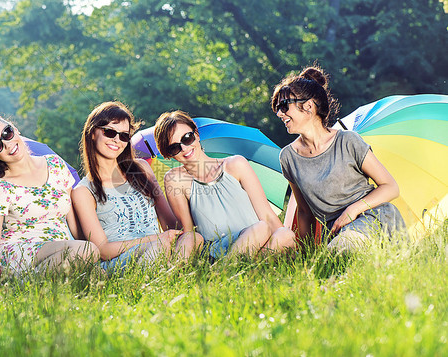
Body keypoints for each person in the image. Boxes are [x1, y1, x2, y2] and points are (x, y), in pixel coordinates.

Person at [272, 65, 405, 251]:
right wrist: (306, 255)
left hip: (374, 219)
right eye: (277, 108)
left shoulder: (348, 140)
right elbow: (304, 212)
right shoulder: (288, 157)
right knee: (333, 258)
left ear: (308, 106)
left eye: (284, 106)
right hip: (337, 234)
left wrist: (352, 210)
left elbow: (391, 187)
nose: (279, 113)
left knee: (342, 250)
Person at [72, 102, 202, 271]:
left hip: (161, 246)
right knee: (158, 246)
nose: (117, 140)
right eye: (110, 132)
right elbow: (102, 251)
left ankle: (172, 274)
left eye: (124, 136)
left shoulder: (142, 168)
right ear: (92, 133)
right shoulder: (84, 191)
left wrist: (193, 197)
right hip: (122, 260)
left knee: (193, 238)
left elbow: (172, 225)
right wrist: (155, 240)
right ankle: (171, 275)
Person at [0, 113, 99, 280]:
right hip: (21, 253)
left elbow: (72, 223)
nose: (8, 145)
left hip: (61, 250)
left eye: (7, 134)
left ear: (15, 129)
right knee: (87, 252)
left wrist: (91, 249)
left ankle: (34, 282)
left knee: (96, 270)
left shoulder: (55, 165)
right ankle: (21, 285)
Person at [154, 111, 297, 259]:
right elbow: (189, 232)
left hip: (257, 240)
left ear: (196, 134)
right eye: (174, 148)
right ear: (169, 154)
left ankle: (240, 268)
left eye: (187, 138)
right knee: (261, 228)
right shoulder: (175, 179)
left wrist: (284, 241)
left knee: (284, 234)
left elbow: (267, 215)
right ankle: (225, 268)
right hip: (217, 250)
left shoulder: (235, 164)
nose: (184, 148)